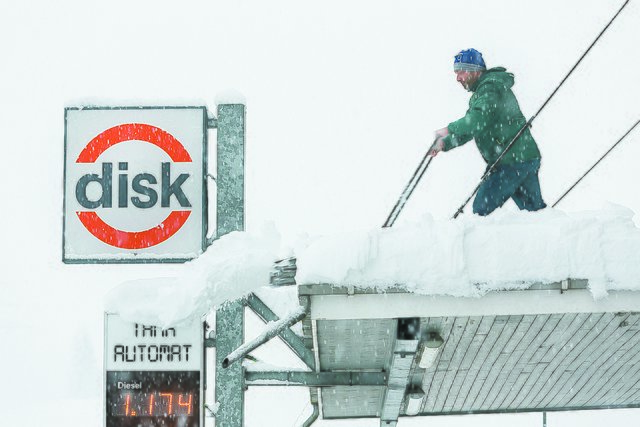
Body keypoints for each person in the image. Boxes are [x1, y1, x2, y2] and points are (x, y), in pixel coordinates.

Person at [429, 48, 546, 216]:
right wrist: (444, 144)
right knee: (535, 213)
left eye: (461, 72)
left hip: (511, 161)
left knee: (481, 210)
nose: (458, 78)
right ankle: (555, 238)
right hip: (524, 157)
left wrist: (448, 129)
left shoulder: (489, 89)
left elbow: (475, 121)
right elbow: (475, 128)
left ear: (475, 71)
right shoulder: (485, 91)